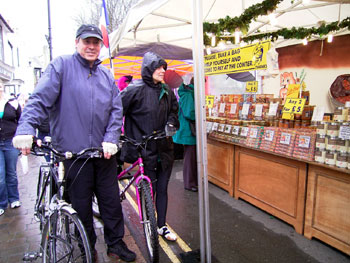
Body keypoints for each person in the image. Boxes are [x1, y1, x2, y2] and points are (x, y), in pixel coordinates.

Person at [12, 24, 136, 262]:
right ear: (77, 43)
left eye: (96, 43)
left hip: (103, 154)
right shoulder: (61, 66)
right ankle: (87, 247)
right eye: (86, 41)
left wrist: (111, 138)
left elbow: (115, 111)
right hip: (74, 155)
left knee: (111, 203)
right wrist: (26, 128)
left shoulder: (106, 75)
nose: (91, 46)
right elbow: (39, 100)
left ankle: (115, 244)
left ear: (100, 46)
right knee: (81, 208)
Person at [120, 51, 179, 241]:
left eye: (164, 67)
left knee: (162, 189)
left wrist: (171, 123)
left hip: (165, 148)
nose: (162, 71)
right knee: (150, 189)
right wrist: (117, 136)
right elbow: (115, 111)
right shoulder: (133, 89)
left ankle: (161, 226)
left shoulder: (167, 90)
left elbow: (173, 111)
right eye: (158, 67)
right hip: (144, 149)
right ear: (148, 69)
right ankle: (150, 225)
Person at [0, 83, 22, 216]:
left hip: (10, 141)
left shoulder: (12, 103)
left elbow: (21, 119)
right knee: (0, 176)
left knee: (11, 172)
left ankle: (14, 198)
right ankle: (2, 202)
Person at [173, 77, 198, 192]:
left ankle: (192, 181)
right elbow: (189, 113)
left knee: (191, 157)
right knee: (190, 157)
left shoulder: (188, 92)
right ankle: (189, 183)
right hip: (188, 131)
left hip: (187, 130)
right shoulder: (189, 94)